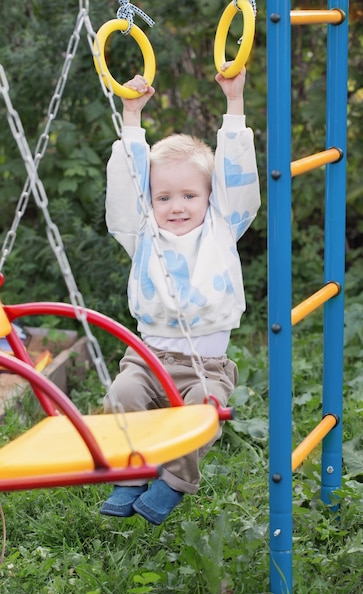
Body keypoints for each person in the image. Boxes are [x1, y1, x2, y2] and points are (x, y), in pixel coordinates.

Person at [100, 62, 260, 525]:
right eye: (163, 197)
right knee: (122, 394)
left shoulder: (223, 228)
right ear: (150, 201)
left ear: (210, 197)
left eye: (189, 195)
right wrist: (132, 117)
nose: (176, 206)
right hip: (147, 358)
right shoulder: (140, 231)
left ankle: (174, 481)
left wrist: (234, 103)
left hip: (205, 367)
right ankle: (132, 472)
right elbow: (126, 184)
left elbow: (237, 177)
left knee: (203, 412)